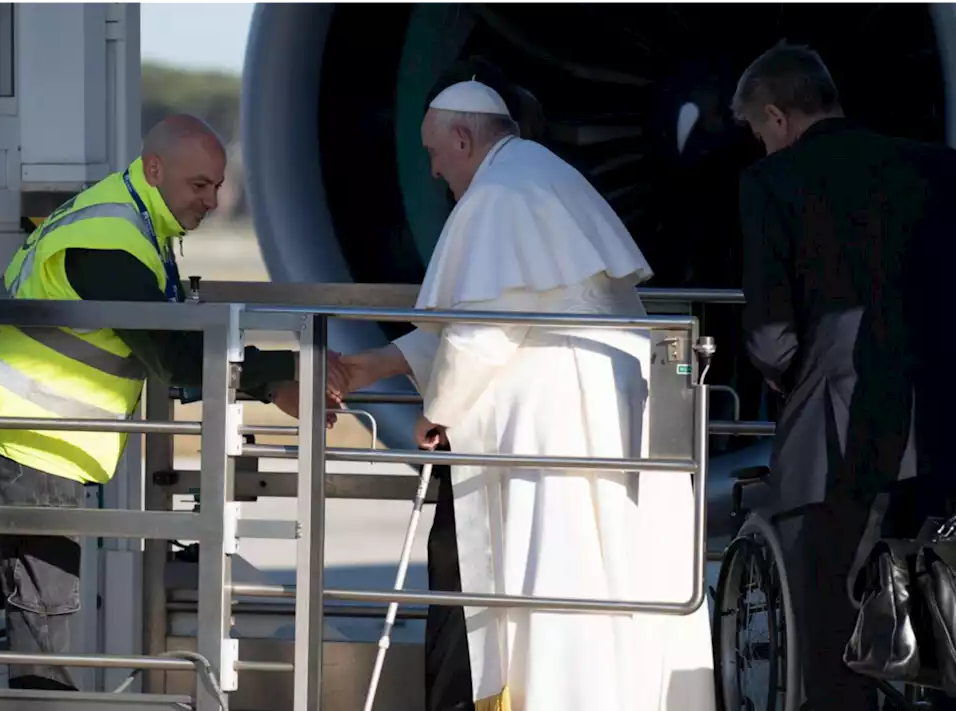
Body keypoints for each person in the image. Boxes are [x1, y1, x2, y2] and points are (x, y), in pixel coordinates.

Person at [0, 114, 342, 689]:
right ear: (154, 168)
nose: (214, 202)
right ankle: (35, 705)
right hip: (31, 433)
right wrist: (281, 375)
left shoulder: (127, 216)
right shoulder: (110, 242)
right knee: (45, 602)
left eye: (218, 186)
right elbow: (169, 353)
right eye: (201, 186)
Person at [339, 80, 715, 711]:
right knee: (590, 581)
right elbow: (484, 319)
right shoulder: (538, 177)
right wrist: (368, 366)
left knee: (551, 577)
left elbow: (482, 335)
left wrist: (437, 412)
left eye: (435, 152)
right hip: (585, 416)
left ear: (464, 138)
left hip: (550, 428)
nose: (433, 170)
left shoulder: (500, 194)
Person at [733, 42, 956, 710]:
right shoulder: (938, 167)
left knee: (832, 644)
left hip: (830, 443)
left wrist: (785, 377)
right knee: (944, 617)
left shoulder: (773, 183)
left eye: (756, 133)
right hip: (939, 430)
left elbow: (771, 336)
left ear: (775, 117)